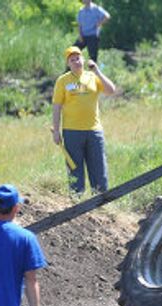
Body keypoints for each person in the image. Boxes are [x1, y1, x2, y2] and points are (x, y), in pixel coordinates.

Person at [52, 46, 117, 195]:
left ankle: (101, 201)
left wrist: (97, 71)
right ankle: (76, 202)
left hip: (94, 131)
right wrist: (56, 131)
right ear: (68, 63)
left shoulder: (93, 77)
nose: (76, 61)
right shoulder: (62, 81)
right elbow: (56, 107)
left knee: (99, 170)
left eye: (78, 58)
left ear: (83, 59)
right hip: (72, 131)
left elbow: (111, 90)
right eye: (72, 59)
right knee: (75, 171)